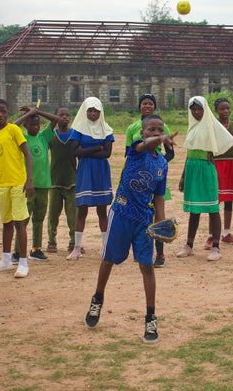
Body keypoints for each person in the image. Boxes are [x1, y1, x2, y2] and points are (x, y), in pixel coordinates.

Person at [84, 114, 176, 342]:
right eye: (152, 129)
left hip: (144, 220)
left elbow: (159, 197)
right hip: (122, 214)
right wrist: (161, 138)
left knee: (147, 268)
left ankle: (150, 318)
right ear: (143, 133)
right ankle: (97, 299)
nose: (156, 133)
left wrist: (160, 224)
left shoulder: (162, 164)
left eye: (160, 129)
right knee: (108, 260)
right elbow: (149, 145)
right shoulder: (136, 150)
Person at [176, 96, 233, 261]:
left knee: (212, 208)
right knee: (194, 209)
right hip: (192, 169)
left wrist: (214, 153)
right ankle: (189, 245)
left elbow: (229, 141)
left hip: (206, 169)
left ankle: (216, 246)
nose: (196, 112)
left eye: (199, 109)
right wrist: (182, 177)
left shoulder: (211, 125)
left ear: (205, 109)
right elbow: (189, 153)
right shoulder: (192, 127)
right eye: (193, 109)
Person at [0, 99, 34, 278]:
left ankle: (23, 262)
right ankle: (5, 260)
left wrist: (29, 180)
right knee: (6, 223)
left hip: (18, 184)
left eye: (3, 112)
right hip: (2, 184)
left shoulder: (14, 129)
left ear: (8, 113)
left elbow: (28, 155)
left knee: (20, 223)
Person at [125, 93, 174, 267]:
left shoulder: (163, 126)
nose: (147, 106)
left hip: (156, 176)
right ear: (139, 106)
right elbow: (128, 153)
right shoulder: (133, 128)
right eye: (144, 103)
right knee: (139, 214)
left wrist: (157, 167)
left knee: (158, 215)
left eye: (151, 104)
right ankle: (141, 250)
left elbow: (170, 153)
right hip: (139, 179)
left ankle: (160, 254)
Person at [68, 97, 114, 260]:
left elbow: (107, 153)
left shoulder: (106, 129)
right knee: (82, 209)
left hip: (101, 171)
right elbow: (74, 151)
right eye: (90, 111)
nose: (93, 114)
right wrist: (97, 147)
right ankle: (76, 248)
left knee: (102, 210)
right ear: (85, 111)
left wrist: (85, 150)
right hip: (85, 170)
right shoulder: (78, 129)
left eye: (96, 111)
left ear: (101, 112)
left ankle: (106, 247)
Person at [11, 104, 59, 262]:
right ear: (26, 125)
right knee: (23, 219)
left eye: (38, 124)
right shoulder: (21, 137)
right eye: (32, 124)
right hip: (26, 186)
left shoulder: (43, 136)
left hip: (43, 185)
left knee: (39, 218)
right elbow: (11, 127)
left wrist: (37, 112)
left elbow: (56, 119)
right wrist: (28, 114)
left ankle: (35, 249)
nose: (36, 127)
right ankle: (18, 252)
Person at [204, 97, 233, 247]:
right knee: (214, 201)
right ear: (216, 111)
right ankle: (211, 236)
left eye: (228, 108)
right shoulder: (212, 125)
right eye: (222, 109)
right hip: (216, 165)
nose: (226, 111)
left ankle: (226, 233)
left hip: (231, 165)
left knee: (229, 200)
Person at [46, 107, 78, 253]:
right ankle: (51, 242)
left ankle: (73, 243)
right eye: (61, 115)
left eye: (67, 115)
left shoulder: (75, 136)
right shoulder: (50, 136)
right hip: (54, 182)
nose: (64, 117)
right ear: (55, 117)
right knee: (53, 215)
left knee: (73, 216)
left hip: (72, 182)